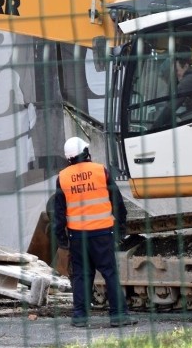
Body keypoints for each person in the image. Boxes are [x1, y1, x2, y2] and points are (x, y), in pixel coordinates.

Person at [53, 137, 137, 328]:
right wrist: (120, 230)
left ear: (69, 158)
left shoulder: (63, 177)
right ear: (86, 152)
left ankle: (80, 317)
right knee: (110, 273)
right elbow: (118, 202)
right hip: (102, 233)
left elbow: (59, 213)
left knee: (82, 275)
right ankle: (118, 316)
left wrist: (62, 240)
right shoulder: (101, 171)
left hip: (77, 236)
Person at [152, 55, 192, 129]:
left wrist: (154, 127)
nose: (176, 74)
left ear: (186, 66)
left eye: (177, 70)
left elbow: (170, 108)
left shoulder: (189, 80)